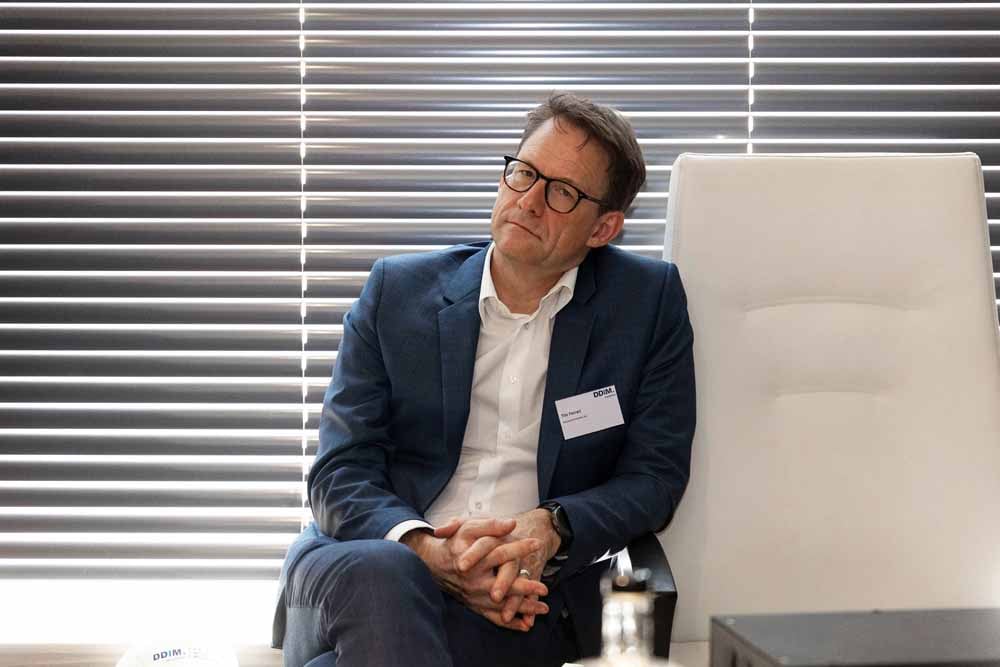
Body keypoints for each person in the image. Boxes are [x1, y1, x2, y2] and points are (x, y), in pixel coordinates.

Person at [272, 92, 696, 667]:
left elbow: (654, 477)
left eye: (562, 192)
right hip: (365, 564)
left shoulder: (646, 306)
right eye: (524, 173)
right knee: (388, 576)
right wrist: (426, 550)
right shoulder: (397, 292)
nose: (529, 201)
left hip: (521, 593)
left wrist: (550, 528)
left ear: (604, 228)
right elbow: (340, 471)